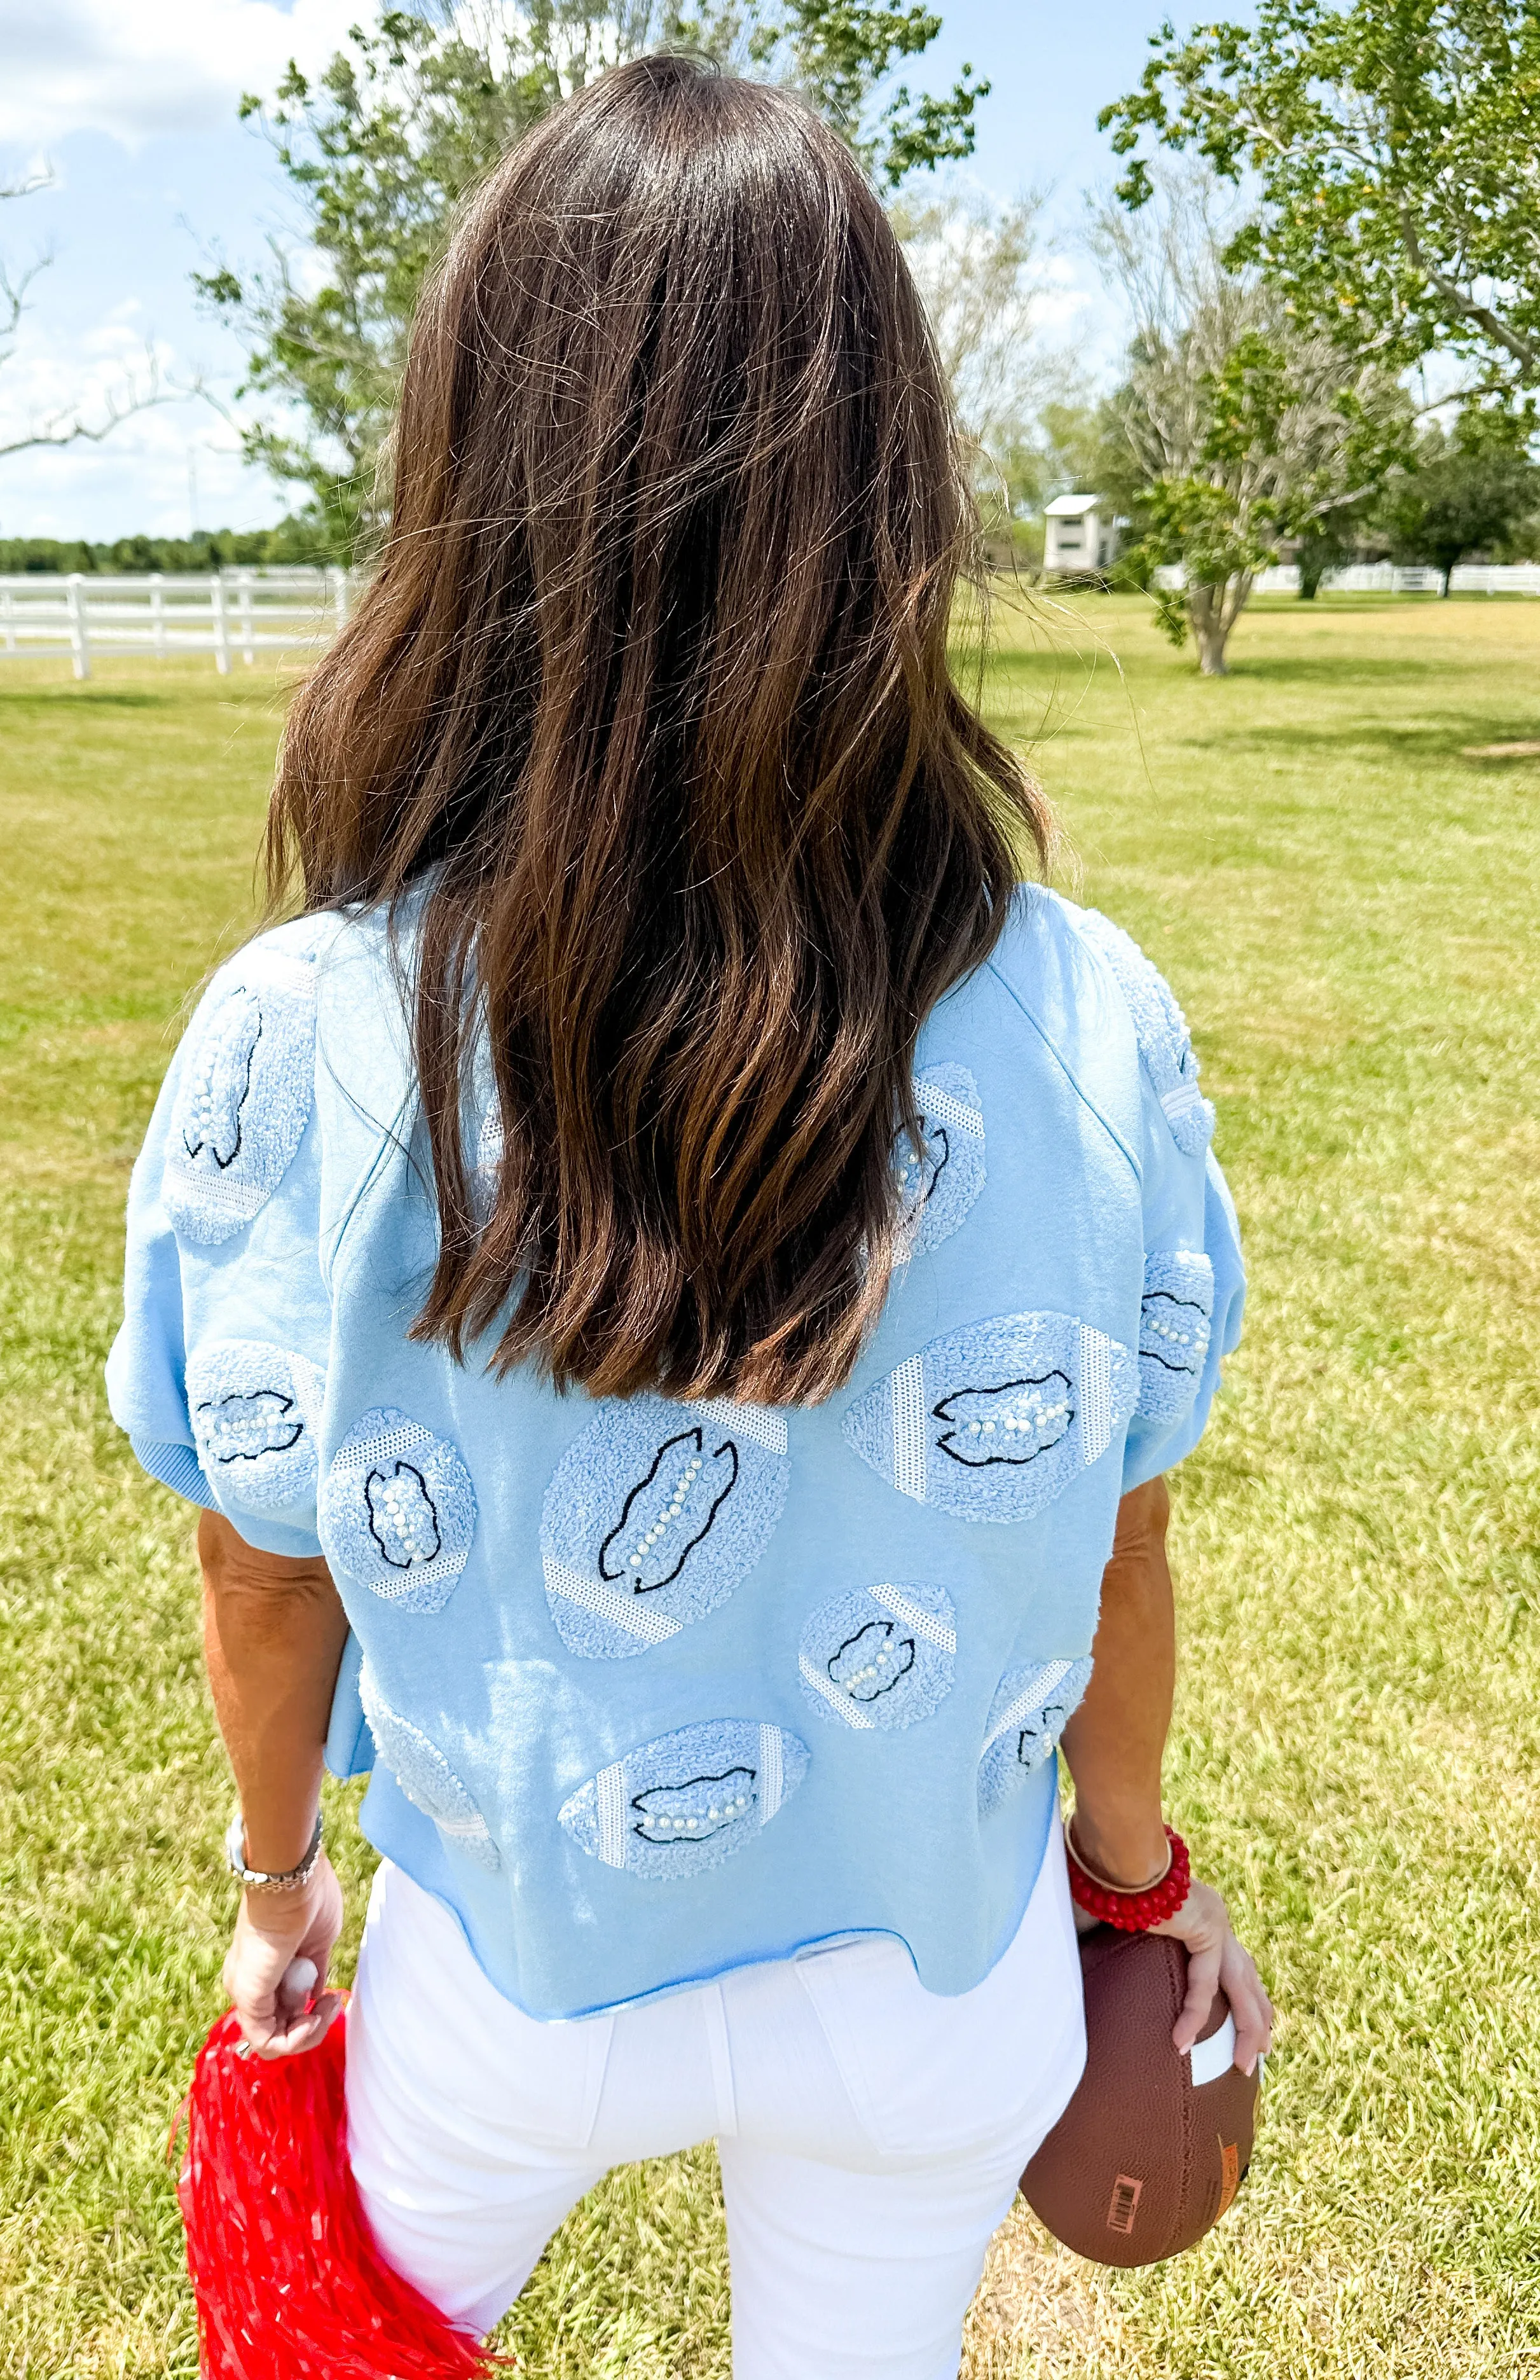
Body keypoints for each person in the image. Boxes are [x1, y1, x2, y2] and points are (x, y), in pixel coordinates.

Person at [106, 53, 1272, 2380]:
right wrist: (1133, 1872)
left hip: (503, 1966)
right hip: (927, 1978)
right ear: (888, 487)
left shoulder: (304, 1024)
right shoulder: (1082, 1009)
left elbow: (261, 1557)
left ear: (469, 464)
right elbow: (1124, 1531)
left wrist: (273, 1887)